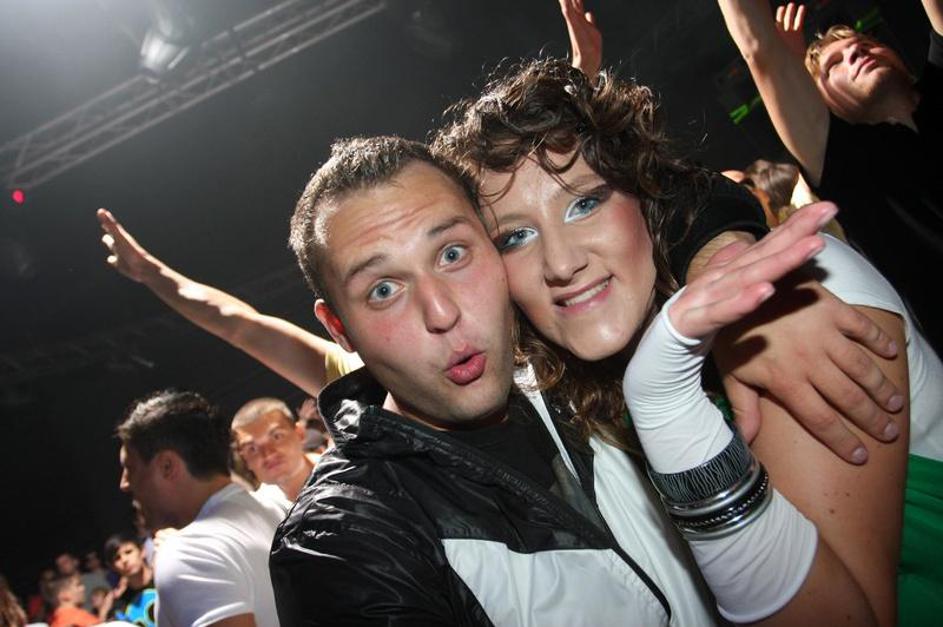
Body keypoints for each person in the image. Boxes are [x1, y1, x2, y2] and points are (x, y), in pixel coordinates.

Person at [269, 134, 890, 625]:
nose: (442, 312)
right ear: (340, 328)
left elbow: (653, 185)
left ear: (494, 250)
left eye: (453, 254)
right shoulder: (348, 541)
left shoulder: (566, 360)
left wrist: (724, 260)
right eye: (384, 289)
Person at [435, 54, 943, 625]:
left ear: (646, 198)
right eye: (515, 237)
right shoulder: (583, 400)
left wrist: (673, 394)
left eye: (585, 203)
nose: (561, 263)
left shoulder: (791, 303)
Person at [716, 0, 943, 353]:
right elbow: (759, 48)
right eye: (835, 64)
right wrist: (787, 63)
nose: (855, 51)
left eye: (865, 44)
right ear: (824, 101)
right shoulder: (848, 165)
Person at [116, 389, 282, 627]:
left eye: (130, 468)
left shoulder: (190, 554)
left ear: (167, 466)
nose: (124, 483)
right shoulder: (277, 506)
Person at [231, 397, 317, 507]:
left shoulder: (337, 466)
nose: (268, 454)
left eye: (277, 436)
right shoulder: (259, 511)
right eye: (252, 449)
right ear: (245, 460)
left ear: (300, 434)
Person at [103, 533, 156, 627]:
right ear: (113, 567)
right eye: (117, 558)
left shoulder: (165, 579)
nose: (124, 560)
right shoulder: (120, 606)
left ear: (142, 551)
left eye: (128, 552)